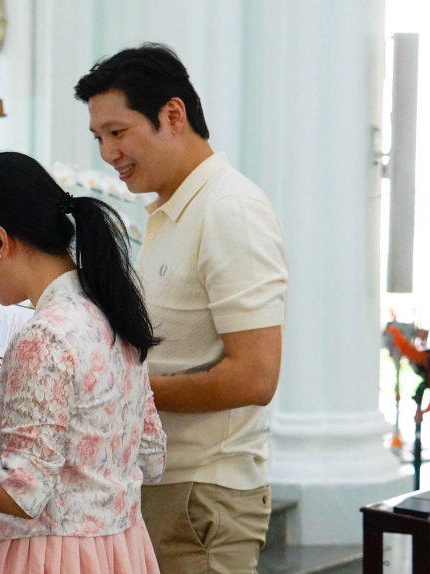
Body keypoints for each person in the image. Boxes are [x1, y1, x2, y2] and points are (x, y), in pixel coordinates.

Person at [75, 43, 290, 573]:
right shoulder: (173, 211)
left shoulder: (229, 210)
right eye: (99, 137)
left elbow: (256, 376)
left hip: (204, 492)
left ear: (173, 115)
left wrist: (125, 389)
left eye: (117, 132)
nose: (108, 153)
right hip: (165, 482)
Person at [0, 151, 166, 574]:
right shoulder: (112, 311)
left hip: (49, 556)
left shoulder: (45, 335)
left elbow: (22, 491)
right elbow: (151, 455)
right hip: (118, 550)